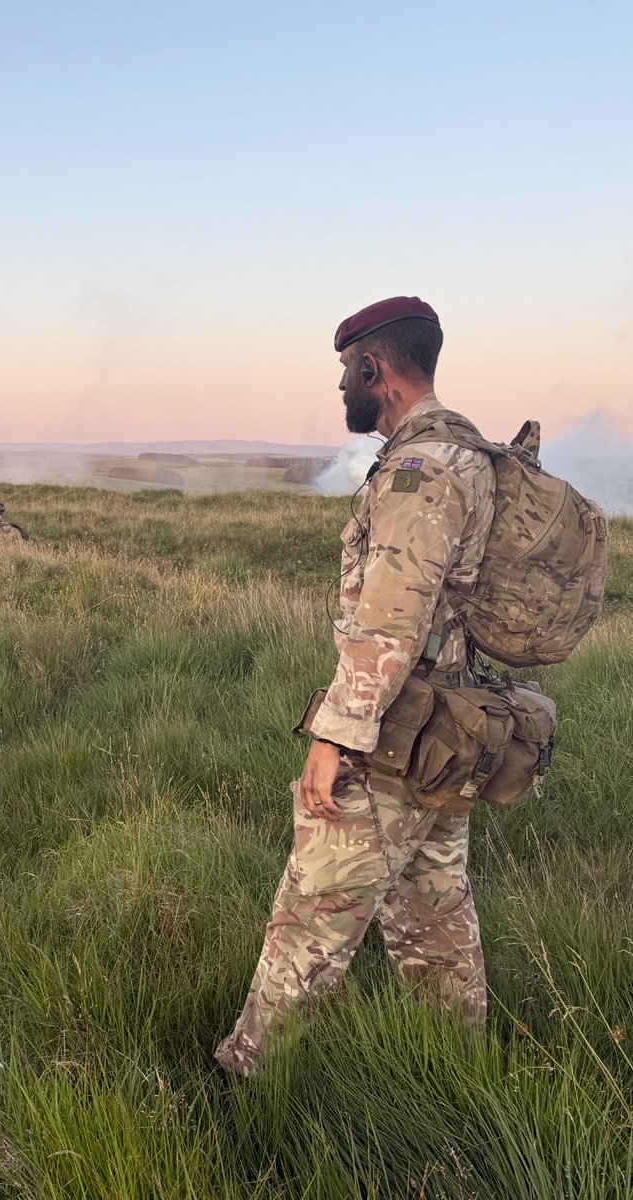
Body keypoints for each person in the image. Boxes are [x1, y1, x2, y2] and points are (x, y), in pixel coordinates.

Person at [215, 296, 496, 1078]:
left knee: (311, 919)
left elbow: (389, 625)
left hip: (395, 735)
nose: (343, 388)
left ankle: (250, 1088)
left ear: (374, 368)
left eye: (347, 372)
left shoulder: (418, 469)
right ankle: (456, 1074)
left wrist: (332, 743)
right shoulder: (470, 452)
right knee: (434, 908)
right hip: (450, 730)